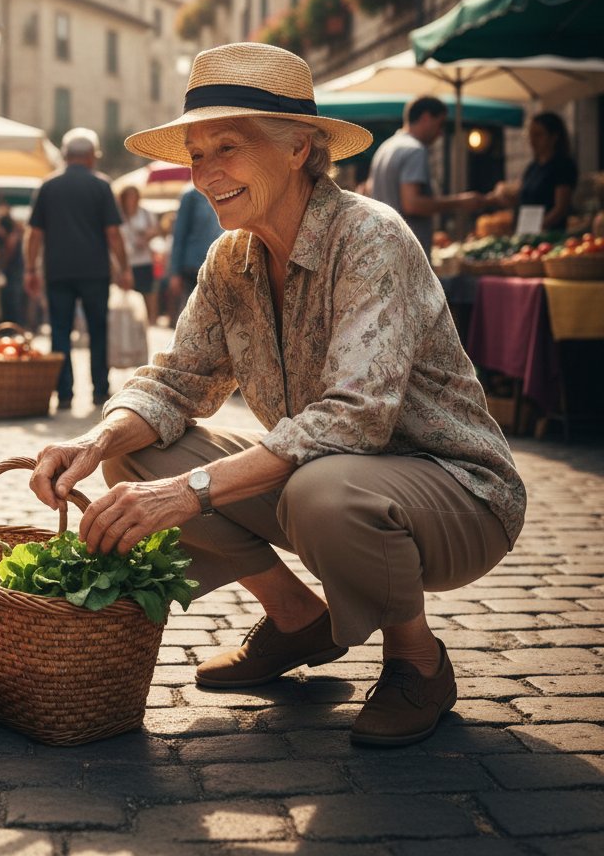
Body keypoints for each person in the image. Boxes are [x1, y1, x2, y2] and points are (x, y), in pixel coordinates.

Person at [28, 43, 526, 748]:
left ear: (299, 149)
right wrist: (96, 439)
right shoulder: (230, 259)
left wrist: (191, 492)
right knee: (140, 461)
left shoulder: (371, 236)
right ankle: (297, 618)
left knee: (318, 489)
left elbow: (354, 419)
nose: (205, 175)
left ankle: (419, 661)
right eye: (197, 154)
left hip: (459, 494)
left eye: (226, 147)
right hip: (331, 479)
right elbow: (175, 383)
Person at [24, 128, 133, 410]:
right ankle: (99, 390)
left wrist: (30, 270)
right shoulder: (101, 185)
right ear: (91, 156)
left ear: (65, 155)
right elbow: (113, 233)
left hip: (58, 270)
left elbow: (34, 234)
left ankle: (64, 394)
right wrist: (124, 267)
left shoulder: (48, 186)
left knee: (59, 330)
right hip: (94, 271)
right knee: (97, 330)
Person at [368, 97, 485, 258]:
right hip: (408, 253)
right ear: (426, 118)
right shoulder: (415, 150)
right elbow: (412, 204)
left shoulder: (385, 148)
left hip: (384, 248)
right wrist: (460, 201)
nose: (441, 132)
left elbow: (369, 190)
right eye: (440, 123)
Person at [489, 112, 577, 231]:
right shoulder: (532, 167)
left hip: (549, 234)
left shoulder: (563, 166)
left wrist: (539, 227)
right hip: (526, 232)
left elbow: (561, 208)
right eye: (530, 135)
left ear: (554, 137)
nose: (532, 140)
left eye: (538, 135)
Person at [168, 179, 222, 317]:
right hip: (193, 268)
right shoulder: (190, 195)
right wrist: (175, 272)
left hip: (221, 267)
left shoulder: (227, 189)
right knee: (193, 317)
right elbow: (179, 234)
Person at [117, 184, 159, 324]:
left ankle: (150, 320)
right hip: (125, 260)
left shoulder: (146, 214)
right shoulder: (118, 215)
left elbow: (156, 229)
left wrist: (146, 236)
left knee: (148, 291)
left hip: (143, 259)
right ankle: (129, 321)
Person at [0, 203, 26, 326]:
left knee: (12, 299)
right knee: (9, 299)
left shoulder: (13, 233)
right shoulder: (14, 231)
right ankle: (12, 324)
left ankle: (14, 325)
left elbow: (9, 249)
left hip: (13, 270)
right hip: (13, 270)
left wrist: (2, 265)